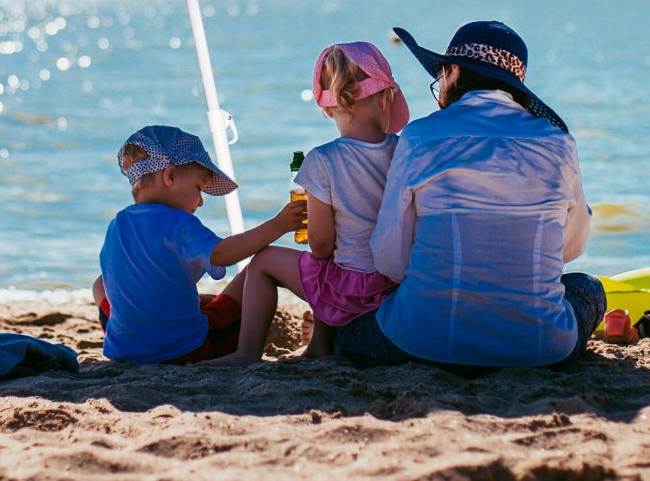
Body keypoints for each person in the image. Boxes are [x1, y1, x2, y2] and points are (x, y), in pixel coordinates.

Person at [334, 21, 606, 374]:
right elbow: (570, 248)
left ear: (454, 71)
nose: (440, 88)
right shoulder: (558, 144)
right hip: (538, 348)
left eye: (440, 78)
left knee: (347, 333)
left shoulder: (421, 136)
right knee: (588, 287)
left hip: (425, 342)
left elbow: (390, 256)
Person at [210, 42, 409, 365]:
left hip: (353, 289)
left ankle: (246, 352)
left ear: (329, 109)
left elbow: (319, 244)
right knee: (329, 265)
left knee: (267, 261)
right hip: (396, 284)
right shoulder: (404, 151)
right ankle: (319, 346)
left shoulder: (323, 160)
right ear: (386, 97)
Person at [93, 125, 306, 364]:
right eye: (199, 188)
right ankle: (246, 354)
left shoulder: (117, 223)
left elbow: (157, 282)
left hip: (126, 350)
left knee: (100, 284)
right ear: (170, 176)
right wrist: (277, 225)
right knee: (259, 267)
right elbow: (223, 254)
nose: (201, 202)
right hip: (184, 350)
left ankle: (137, 341)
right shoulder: (179, 222)